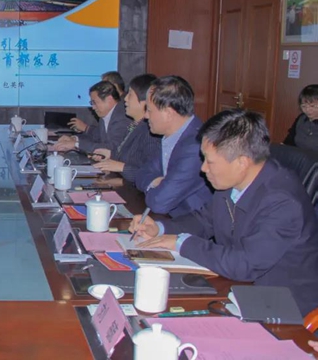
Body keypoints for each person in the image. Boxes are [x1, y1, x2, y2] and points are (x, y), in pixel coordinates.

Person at [130, 109, 318, 316]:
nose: (203, 168)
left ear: (242, 162)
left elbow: (245, 264)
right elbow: (204, 220)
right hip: (238, 289)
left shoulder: (283, 201)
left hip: (283, 309)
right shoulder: (233, 182)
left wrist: (182, 242)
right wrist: (160, 228)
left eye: (209, 161)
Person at [134, 75, 212, 217]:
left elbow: (159, 202)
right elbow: (140, 173)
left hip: (190, 224)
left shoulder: (196, 146)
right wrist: (154, 182)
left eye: (149, 110)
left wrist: (156, 188)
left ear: (169, 113)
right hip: (170, 219)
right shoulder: (171, 137)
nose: (145, 116)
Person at [93, 74, 161, 183]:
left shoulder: (150, 133)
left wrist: (122, 167)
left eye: (130, 95)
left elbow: (151, 175)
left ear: (145, 101)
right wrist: (110, 155)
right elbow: (129, 157)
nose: (125, 99)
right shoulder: (134, 125)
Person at [54, 81, 132, 153]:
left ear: (109, 99)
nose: (93, 107)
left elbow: (112, 148)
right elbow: (98, 137)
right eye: (92, 103)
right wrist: (74, 139)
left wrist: (76, 144)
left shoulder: (122, 117)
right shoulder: (105, 114)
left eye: (95, 102)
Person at [284, 84, 318, 152]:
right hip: (298, 156)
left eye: (312, 106)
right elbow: (290, 140)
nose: (307, 110)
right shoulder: (301, 118)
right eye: (304, 106)